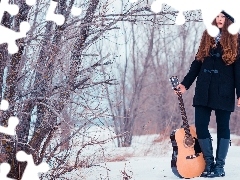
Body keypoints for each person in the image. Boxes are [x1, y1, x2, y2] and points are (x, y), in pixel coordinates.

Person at [176, 11, 240, 178]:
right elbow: (196, 63)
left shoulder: (236, 40)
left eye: (223, 16)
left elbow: (239, 71)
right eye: (217, 16)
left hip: (224, 90)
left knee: (223, 127)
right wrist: (185, 84)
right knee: (201, 126)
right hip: (203, 89)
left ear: (229, 19)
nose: (219, 19)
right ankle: (209, 163)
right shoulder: (207, 36)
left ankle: (219, 167)